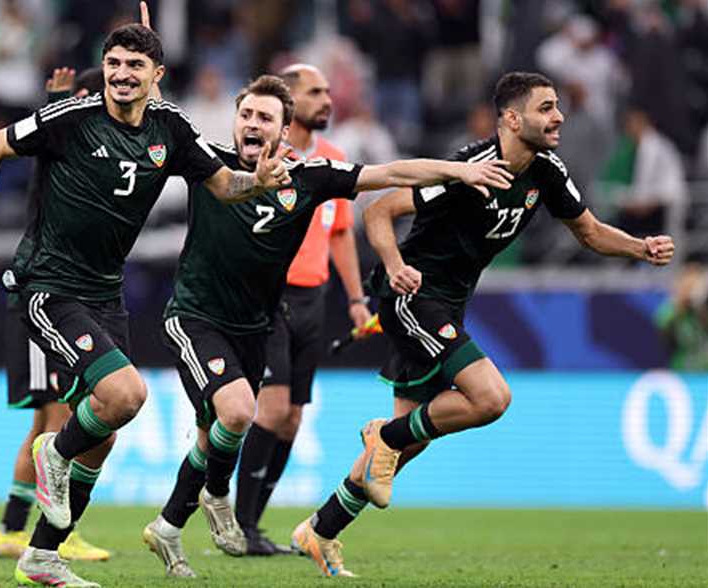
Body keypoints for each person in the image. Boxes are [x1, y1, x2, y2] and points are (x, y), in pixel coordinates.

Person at [291, 71, 676, 578]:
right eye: (546, 108)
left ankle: (320, 529)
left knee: (410, 443)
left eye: (558, 106)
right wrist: (394, 265)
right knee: (490, 398)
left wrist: (640, 247)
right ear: (512, 119)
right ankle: (383, 434)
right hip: (412, 296)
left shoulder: (547, 172)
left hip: (450, 305)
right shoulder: (467, 170)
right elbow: (379, 211)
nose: (558, 116)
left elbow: (588, 231)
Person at [0, 23, 291, 588]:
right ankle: (53, 454)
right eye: (114, 63)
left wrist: (260, 180)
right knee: (126, 393)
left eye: (135, 65)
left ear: (157, 75)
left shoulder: (170, 128)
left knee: (104, 435)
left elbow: (225, 186)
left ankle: (42, 555)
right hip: (49, 287)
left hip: (106, 294)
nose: (121, 74)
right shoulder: (73, 116)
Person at [141, 74, 514, 579]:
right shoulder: (209, 162)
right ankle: (219, 496)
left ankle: (167, 526)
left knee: (216, 432)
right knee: (239, 411)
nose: (252, 124)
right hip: (195, 316)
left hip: (255, 327)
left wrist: (457, 171)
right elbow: (157, 122)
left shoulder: (310, 177)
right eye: (246, 114)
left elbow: (390, 173)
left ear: (284, 130)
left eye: (265, 117)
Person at [234, 63, 370, 555]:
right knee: (270, 410)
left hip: (314, 298)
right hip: (271, 296)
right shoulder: (267, 159)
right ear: (290, 103)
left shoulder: (333, 160)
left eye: (328, 91)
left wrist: (355, 299)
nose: (327, 100)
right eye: (315, 92)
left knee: (291, 420)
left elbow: (340, 236)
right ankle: (238, 524)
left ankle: (251, 524)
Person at [0, 67, 111, 563]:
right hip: (44, 294)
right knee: (56, 418)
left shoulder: (97, 154)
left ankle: (12, 528)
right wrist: (57, 105)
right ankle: (45, 527)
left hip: (66, 294)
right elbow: (48, 157)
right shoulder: (65, 149)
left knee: (49, 419)